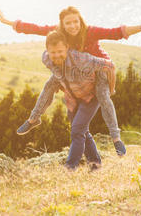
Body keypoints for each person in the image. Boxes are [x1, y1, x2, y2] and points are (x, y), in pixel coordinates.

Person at [0, 6, 141, 156]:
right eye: (68, 23)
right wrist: (10, 22)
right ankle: (34, 119)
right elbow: (35, 29)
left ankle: (116, 138)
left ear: (80, 20)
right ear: (62, 24)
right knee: (49, 85)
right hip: (74, 71)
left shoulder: (90, 32)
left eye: (75, 21)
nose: (72, 26)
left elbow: (117, 32)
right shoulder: (58, 32)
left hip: (98, 69)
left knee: (103, 97)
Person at [18, 30, 115, 170]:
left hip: (90, 95)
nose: (56, 55)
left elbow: (109, 65)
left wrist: (109, 90)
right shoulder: (46, 58)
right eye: (53, 52)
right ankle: (95, 164)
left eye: (60, 51)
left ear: (67, 48)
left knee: (77, 130)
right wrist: (61, 80)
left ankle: (70, 168)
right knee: (82, 130)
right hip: (72, 96)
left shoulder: (81, 59)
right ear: (47, 51)